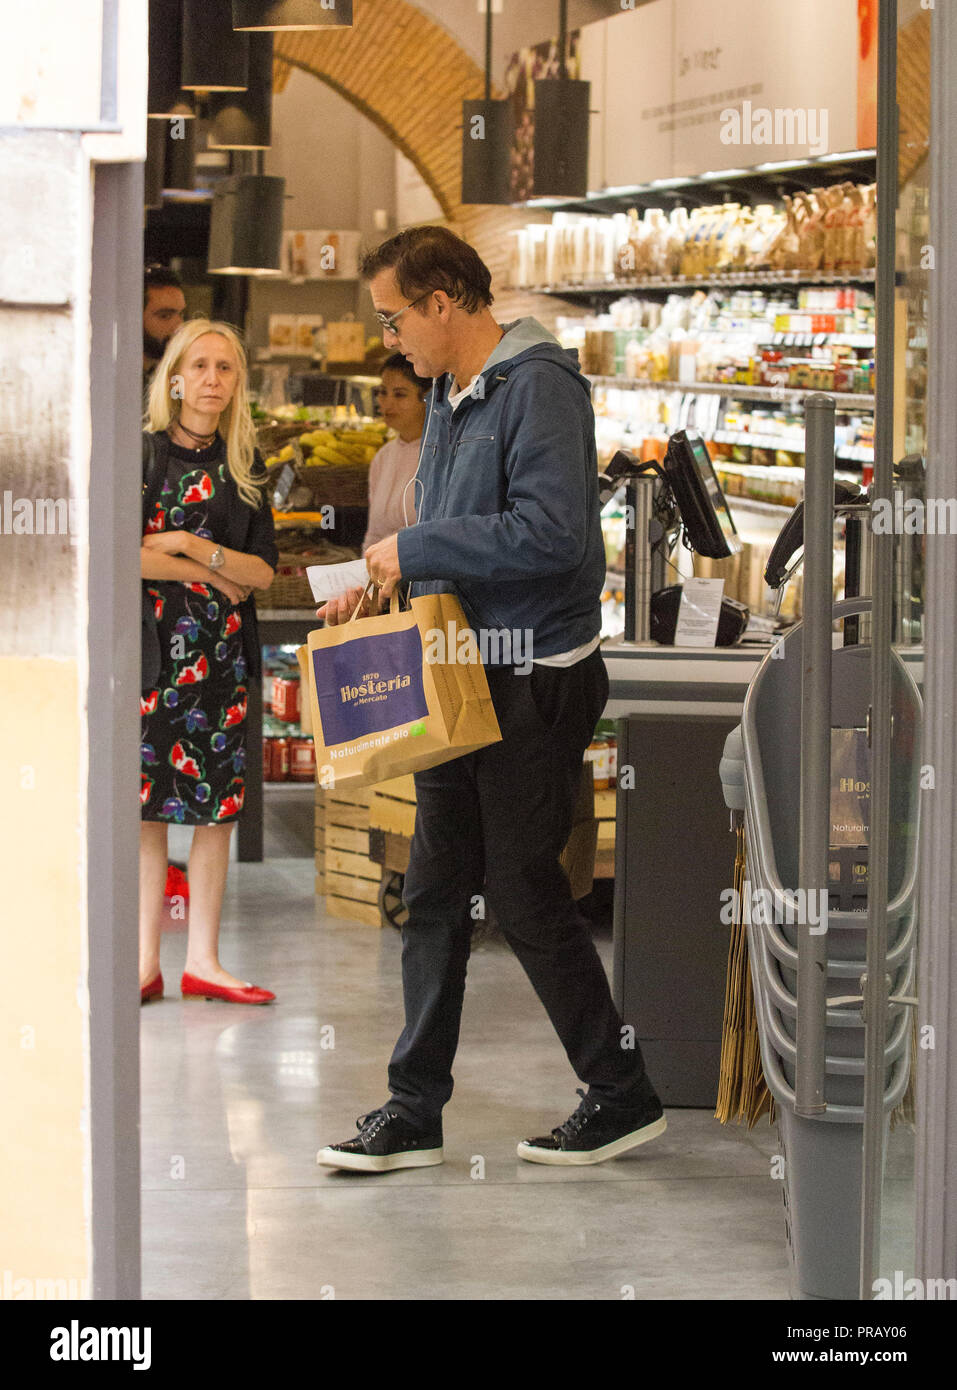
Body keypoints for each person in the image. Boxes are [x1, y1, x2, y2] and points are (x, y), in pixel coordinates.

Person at [315, 226, 665, 1171]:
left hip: (534, 680)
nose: (391, 340)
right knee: (432, 893)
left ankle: (620, 1090)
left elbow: (553, 536)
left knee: (520, 890)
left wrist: (419, 551)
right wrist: (383, 578)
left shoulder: (539, 388)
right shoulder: (448, 394)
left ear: (443, 302)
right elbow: (447, 523)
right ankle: (412, 1108)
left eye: (395, 318)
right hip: (459, 674)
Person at [139, 319, 278, 1006]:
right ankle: (143, 963)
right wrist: (211, 573)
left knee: (216, 812)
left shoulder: (245, 469)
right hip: (149, 661)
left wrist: (192, 551)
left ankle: (204, 961)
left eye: (225, 368)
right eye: (199, 365)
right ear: (175, 376)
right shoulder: (141, 457)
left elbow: (261, 574)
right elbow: (119, 552)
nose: (212, 380)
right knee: (146, 812)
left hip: (221, 665)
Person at [362, 353, 431, 553]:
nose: (387, 403)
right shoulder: (382, 457)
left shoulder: (440, 454)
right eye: (382, 392)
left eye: (400, 394)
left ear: (427, 397)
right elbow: (373, 534)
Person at [143, 263, 186, 398]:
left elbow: (178, 414)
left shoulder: (173, 375)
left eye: (181, 315)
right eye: (165, 316)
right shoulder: (115, 379)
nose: (179, 326)